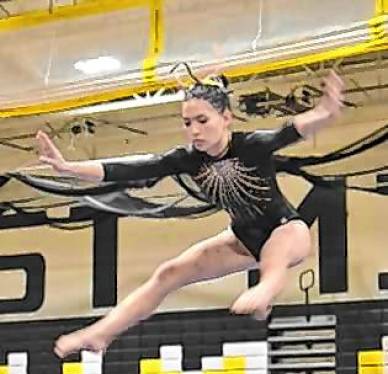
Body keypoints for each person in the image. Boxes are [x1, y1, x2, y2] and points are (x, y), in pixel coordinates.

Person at [36, 70, 344, 358]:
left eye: (202, 120)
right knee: (168, 274)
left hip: (288, 230)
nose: (194, 130)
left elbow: (292, 130)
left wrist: (326, 112)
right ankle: (100, 334)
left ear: (226, 118)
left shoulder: (252, 145)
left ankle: (265, 290)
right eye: (187, 123)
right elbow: (127, 168)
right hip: (242, 239)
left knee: (273, 255)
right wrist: (68, 167)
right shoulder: (186, 159)